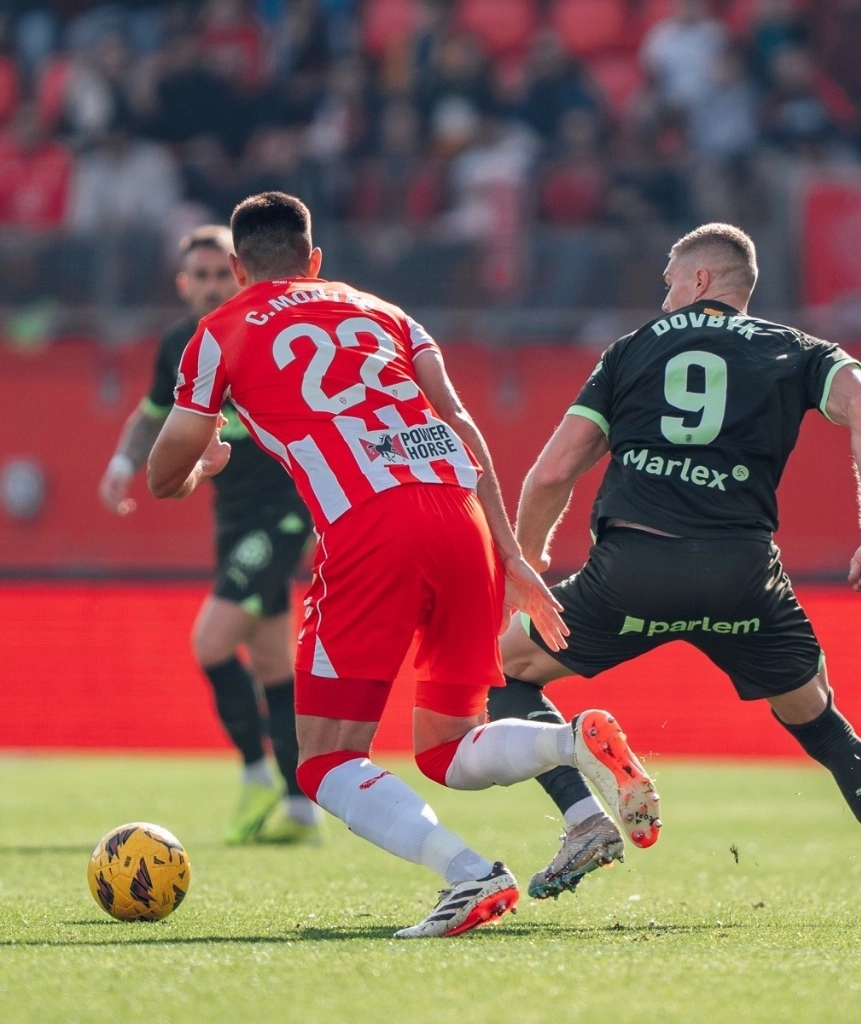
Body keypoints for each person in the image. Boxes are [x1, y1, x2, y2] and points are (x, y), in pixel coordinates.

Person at [145, 191, 660, 938]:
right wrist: (512, 554)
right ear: (314, 259)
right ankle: (569, 740)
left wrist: (206, 464)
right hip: (463, 520)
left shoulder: (219, 331)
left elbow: (163, 475)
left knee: (323, 762)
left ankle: (471, 876)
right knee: (447, 747)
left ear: (235, 267)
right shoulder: (386, 313)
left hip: (370, 529)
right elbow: (461, 423)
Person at [488, 222, 861, 926]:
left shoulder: (629, 352)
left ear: (698, 281)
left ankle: (584, 817)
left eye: (669, 280)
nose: (663, 294)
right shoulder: (803, 350)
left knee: (504, 669)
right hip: (741, 578)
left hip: (633, 571)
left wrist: (529, 564)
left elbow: (552, 473)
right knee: (824, 727)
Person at [98, 224, 319, 846]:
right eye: (201, 276)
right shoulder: (177, 345)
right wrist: (121, 465)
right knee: (275, 661)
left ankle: (254, 774)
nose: (212, 285)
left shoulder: (268, 331)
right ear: (184, 283)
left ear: (242, 273)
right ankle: (302, 807)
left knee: (212, 643)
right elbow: (149, 419)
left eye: (223, 274)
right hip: (231, 517)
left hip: (284, 511)